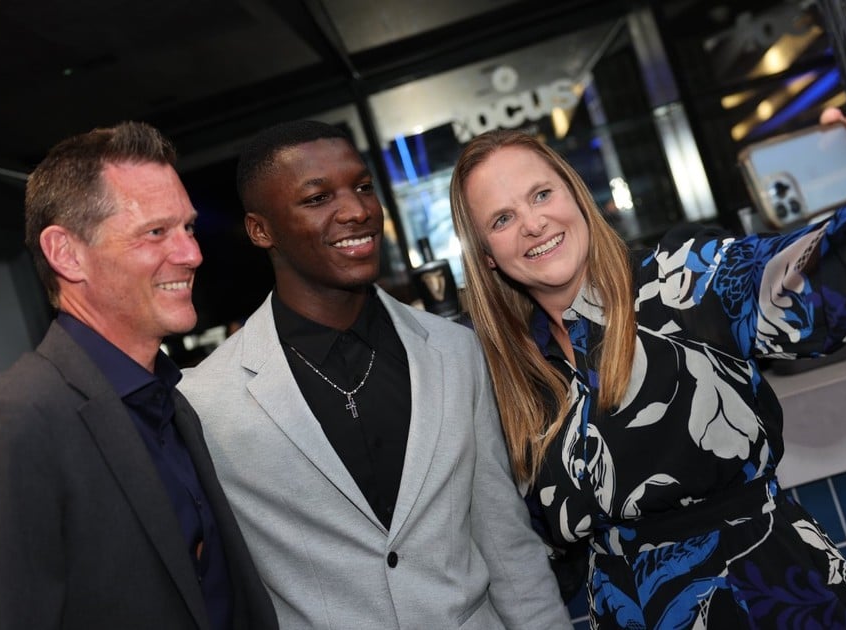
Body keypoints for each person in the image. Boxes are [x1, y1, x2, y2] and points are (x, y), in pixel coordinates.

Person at [448, 103, 846, 628]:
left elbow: (786, 283)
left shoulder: (679, 281)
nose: (533, 224)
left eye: (541, 194)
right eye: (502, 219)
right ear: (486, 254)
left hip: (767, 596)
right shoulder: (507, 375)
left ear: (576, 196)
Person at [178, 120, 571, 629]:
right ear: (261, 230)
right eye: (318, 198)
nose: (356, 210)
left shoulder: (456, 351)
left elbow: (508, 546)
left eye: (362, 187)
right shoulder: (207, 401)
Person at [0, 122, 278, 630]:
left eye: (189, 228)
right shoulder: (7, 426)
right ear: (67, 253)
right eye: (156, 232)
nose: (192, 254)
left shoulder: (170, 401)